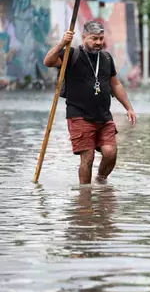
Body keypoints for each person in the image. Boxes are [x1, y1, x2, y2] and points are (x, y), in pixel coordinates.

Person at [43, 21, 137, 185]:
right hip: (79, 115)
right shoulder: (71, 54)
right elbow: (48, 61)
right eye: (94, 39)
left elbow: (115, 84)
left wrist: (129, 108)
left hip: (103, 116)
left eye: (101, 38)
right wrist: (62, 43)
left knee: (110, 153)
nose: (99, 43)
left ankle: (101, 182)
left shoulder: (106, 58)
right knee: (88, 157)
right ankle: (84, 197)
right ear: (84, 37)